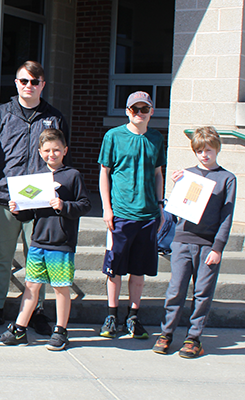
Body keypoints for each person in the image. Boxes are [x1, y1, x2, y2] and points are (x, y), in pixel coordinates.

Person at [0, 61, 69, 335]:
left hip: (39, 202)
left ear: (43, 85)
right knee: (2, 257)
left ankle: (37, 311)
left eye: (35, 82)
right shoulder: (1, 114)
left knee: (36, 259)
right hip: (3, 198)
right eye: (24, 81)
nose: (29, 86)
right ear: (16, 83)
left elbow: (63, 157)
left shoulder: (54, 117)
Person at [0, 129, 90, 351]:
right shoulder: (37, 178)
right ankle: (19, 329)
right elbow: (30, 214)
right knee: (31, 286)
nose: (51, 154)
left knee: (61, 287)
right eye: (47, 151)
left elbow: (84, 204)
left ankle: (61, 331)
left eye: (56, 150)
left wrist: (64, 205)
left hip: (61, 243)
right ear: (40, 152)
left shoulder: (72, 176)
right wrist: (17, 211)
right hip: (38, 242)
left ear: (65, 150)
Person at [152, 127, 236, 359]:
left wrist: (218, 247)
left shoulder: (227, 178)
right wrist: (177, 185)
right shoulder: (187, 174)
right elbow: (178, 209)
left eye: (208, 150)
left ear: (216, 149)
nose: (204, 155)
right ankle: (166, 333)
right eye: (199, 151)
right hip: (183, 240)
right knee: (175, 289)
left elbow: (226, 217)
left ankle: (193, 338)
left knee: (202, 292)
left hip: (208, 244)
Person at [98, 91, 165, 339]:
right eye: (135, 109)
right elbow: (104, 172)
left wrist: (160, 205)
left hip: (147, 216)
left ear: (151, 112)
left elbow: (158, 173)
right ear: (127, 111)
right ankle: (111, 316)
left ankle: (133, 317)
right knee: (114, 268)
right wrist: (107, 207)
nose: (139, 113)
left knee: (139, 270)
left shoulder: (156, 138)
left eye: (144, 109)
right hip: (121, 214)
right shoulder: (113, 136)